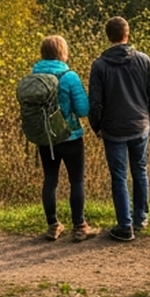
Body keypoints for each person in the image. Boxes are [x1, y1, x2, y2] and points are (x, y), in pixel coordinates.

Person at [89, 16, 150, 241]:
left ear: (107, 36)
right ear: (127, 34)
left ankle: (124, 225)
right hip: (139, 125)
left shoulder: (99, 65)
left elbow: (95, 101)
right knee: (139, 170)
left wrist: (96, 126)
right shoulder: (143, 60)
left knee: (119, 176)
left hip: (113, 129)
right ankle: (141, 217)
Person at [32, 35, 98, 242]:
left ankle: (53, 226)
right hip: (70, 137)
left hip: (46, 139)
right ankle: (80, 226)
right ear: (62, 52)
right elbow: (83, 109)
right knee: (76, 180)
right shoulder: (69, 77)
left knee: (50, 181)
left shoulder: (34, 76)